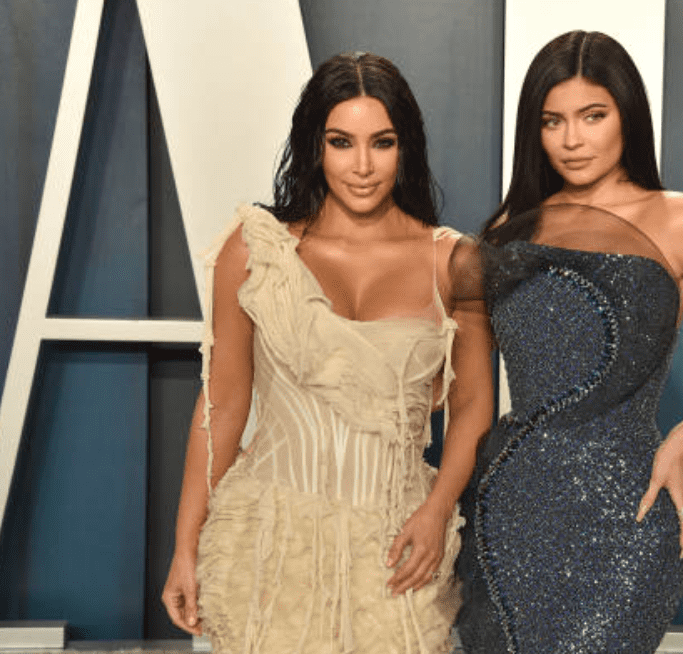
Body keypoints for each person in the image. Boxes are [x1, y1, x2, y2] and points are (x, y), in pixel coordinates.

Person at [455, 31, 683, 654]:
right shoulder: (509, 230)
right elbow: (467, 390)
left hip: (628, 510)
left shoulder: (680, 220)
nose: (572, 140)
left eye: (593, 116)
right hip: (510, 510)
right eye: (553, 121)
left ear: (628, 115)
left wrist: (680, 439)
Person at [161, 52, 493, 654]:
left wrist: (439, 510)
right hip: (265, 545)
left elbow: (472, 408)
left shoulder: (455, 262)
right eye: (342, 142)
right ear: (315, 145)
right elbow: (224, 405)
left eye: (382, 142)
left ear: (406, 147)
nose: (362, 166)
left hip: (398, 543)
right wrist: (185, 547)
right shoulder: (255, 250)